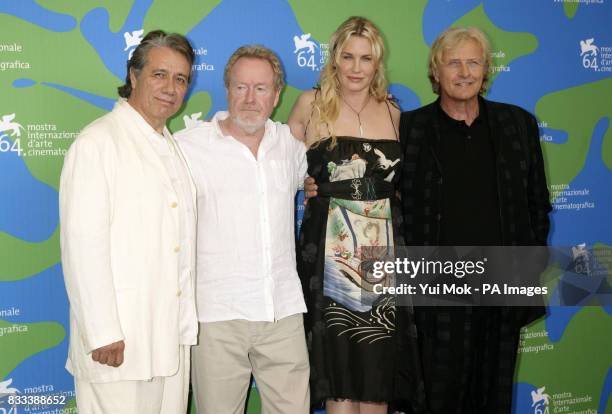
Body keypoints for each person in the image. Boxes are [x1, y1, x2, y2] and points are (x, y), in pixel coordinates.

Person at [397, 27, 552, 413]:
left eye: (473, 62)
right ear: (436, 71)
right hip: (436, 292)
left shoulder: (518, 124)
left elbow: (537, 203)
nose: (464, 72)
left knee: (494, 398)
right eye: (454, 62)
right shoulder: (410, 129)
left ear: (486, 70)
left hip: (503, 287)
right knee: (436, 400)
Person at [289, 16, 424, 414]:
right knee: (340, 370)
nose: (355, 67)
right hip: (330, 250)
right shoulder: (309, 103)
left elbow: (399, 183)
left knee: (377, 371)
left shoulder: (393, 110)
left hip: (383, 252)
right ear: (334, 58)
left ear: (377, 63)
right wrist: (304, 183)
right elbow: (276, 168)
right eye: (347, 56)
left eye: (365, 58)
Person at [59, 30, 198, 413]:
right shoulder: (98, 143)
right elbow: (82, 244)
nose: (171, 88)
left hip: (168, 336)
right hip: (118, 344)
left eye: (181, 78)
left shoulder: (168, 145)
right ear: (133, 76)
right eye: (159, 74)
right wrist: (102, 331)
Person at [175, 45, 310, 414]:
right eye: (241, 87)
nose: (250, 99)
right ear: (227, 89)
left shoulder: (292, 146)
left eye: (261, 88)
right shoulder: (187, 149)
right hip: (217, 316)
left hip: (282, 310)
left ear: (277, 96)